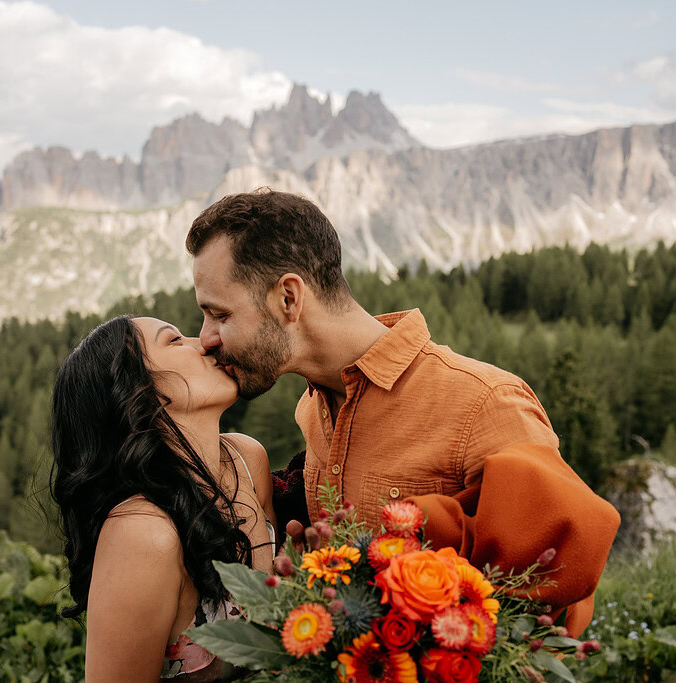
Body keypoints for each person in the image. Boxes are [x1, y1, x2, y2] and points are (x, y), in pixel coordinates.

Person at [186, 189, 620, 637]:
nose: (206, 338)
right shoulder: (312, 409)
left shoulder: (485, 404)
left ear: (289, 298)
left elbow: (556, 604)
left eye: (220, 315)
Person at [50, 315, 276, 681]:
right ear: (136, 390)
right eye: (174, 340)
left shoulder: (247, 462)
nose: (205, 342)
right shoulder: (142, 533)